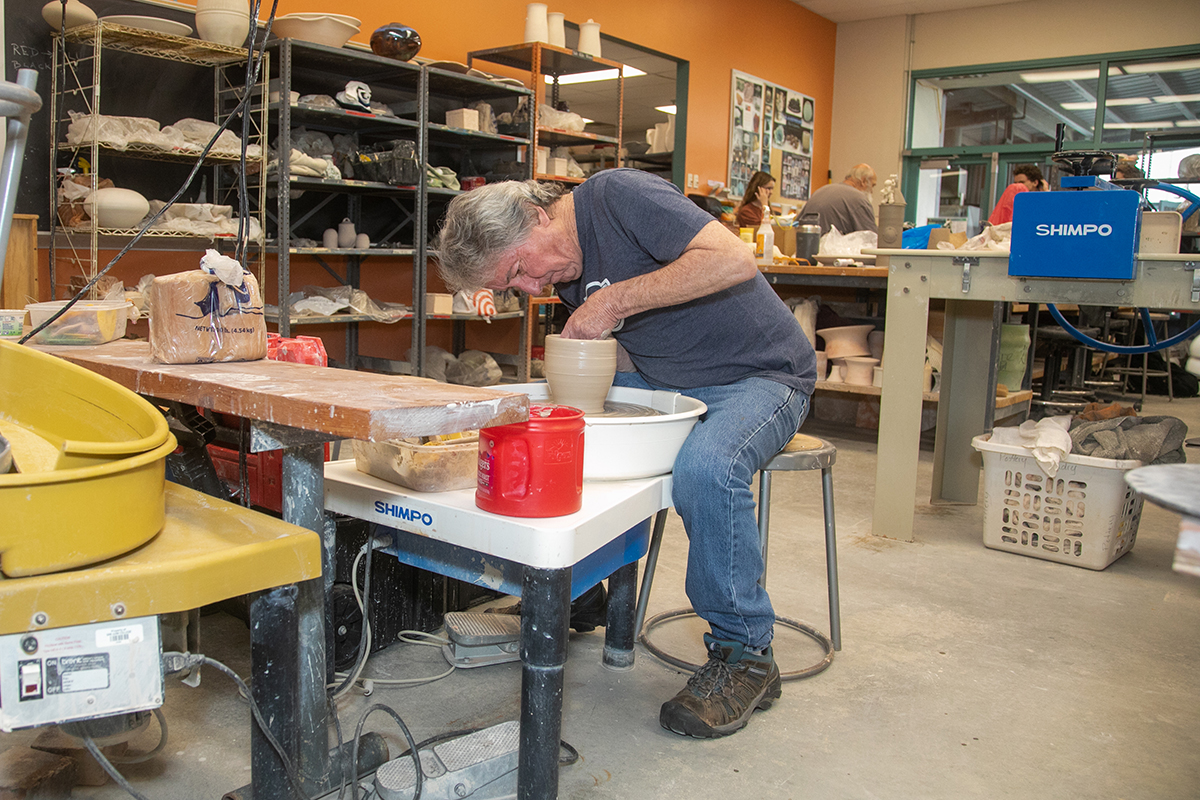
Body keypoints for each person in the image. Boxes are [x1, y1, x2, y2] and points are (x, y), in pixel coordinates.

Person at [435, 169, 816, 740]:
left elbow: (733, 258)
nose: (533, 290)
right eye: (516, 288)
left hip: (760, 376)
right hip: (671, 383)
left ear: (537, 217)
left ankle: (746, 654)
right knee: (567, 440)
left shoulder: (617, 198)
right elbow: (636, 349)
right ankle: (583, 596)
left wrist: (612, 302)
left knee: (707, 469)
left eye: (519, 271)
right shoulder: (561, 265)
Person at [801, 163, 878, 235]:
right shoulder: (859, 200)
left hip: (805, 245)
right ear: (863, 181)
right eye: (872, 185)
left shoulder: (820, 191)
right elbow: (871, 239)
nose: (871, 191)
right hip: (831, 248)